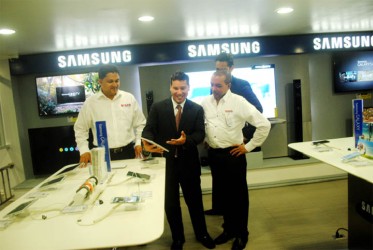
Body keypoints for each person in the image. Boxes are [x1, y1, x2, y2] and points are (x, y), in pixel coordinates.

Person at [142, 72, 215, 250]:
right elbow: (148, 130)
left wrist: (186, 140)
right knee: (171, 203)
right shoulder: (158, 108)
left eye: (183, 88)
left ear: (188, 88)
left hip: (189, 164)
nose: (179, 92)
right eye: (176, 88)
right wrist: (147, 143)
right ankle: (178, 238)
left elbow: (200, 134)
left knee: (195, 201)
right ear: (170, 87)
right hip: (166, 165)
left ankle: (202, 234)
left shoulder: (197, 109)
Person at [201, 70, 270, 250]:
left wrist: (248, 146)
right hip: (215, 156)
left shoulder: (238, 102)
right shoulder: (205, 102)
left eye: (218, 85)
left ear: (228, 85)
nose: (214, 88)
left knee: (238, 197)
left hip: (234, 155)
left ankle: (242, 233)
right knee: (223, 197)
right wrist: (208, 140)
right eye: (212, 84)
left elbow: (264, 124)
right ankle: (229, 229)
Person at [205, 52, 264, 216]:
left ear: (232, 68)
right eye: (217, 68)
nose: (220, 72)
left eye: (223, 69)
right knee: (219, 183)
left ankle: (239, 230)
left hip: (233, 147)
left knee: (237, 191)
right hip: (216, 149)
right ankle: (220, 210)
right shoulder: (214, 84)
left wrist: (245, 136)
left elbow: (258, 110)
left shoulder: (241, 86)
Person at [74, 64, 146, 165]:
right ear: (100, 81)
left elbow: (141, 123)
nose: (115, 85)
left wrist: (138, 143)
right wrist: (84, 150)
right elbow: (80, 129)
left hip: (128, 152)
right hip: (102, 155)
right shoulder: (90, 103)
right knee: (104, 181)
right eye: (110, 81)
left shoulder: (129, 98)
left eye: (117, 81)